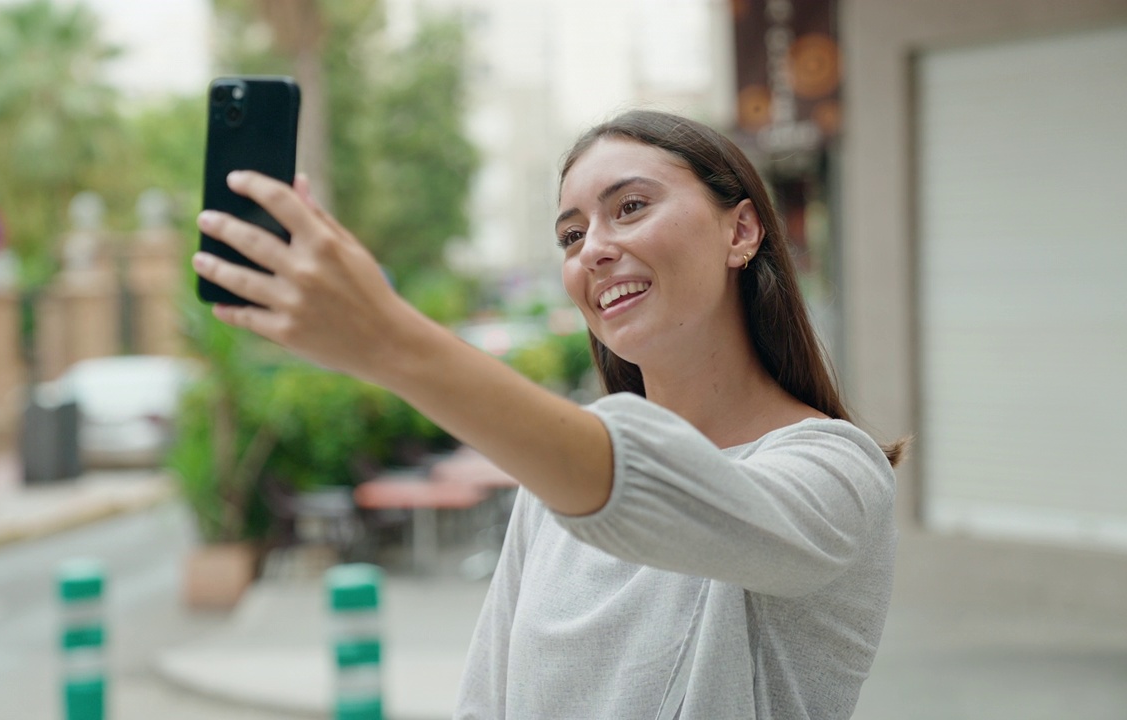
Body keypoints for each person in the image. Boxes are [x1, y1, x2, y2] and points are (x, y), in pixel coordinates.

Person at [192, 109, 905, 719]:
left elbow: (656, 490)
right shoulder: (551, 496)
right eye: (570, 236)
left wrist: (390, 341)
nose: (593, 248)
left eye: (630, 207)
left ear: (740, 231)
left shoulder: (839, 473)